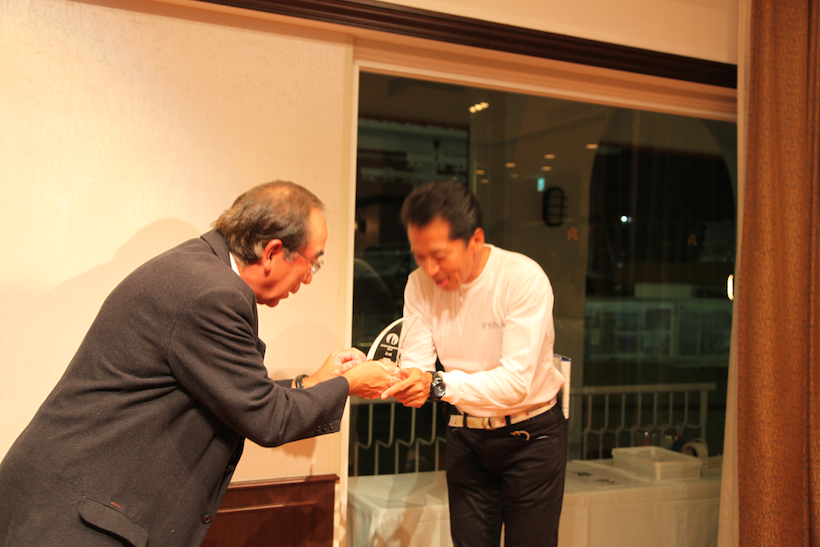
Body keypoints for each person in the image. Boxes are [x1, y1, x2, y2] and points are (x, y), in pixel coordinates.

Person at [0, 181, 396, 547]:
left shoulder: (199, 270)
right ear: (273, 252)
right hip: (76, 522)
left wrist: (314, 382)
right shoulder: (213, 294)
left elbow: (235, 391)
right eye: (313, 262)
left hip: (78, 504)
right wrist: (351, 384)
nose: (308, 278)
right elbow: (268, 418)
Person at [382, 181, 567, 547]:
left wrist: (437, 385)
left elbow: (515, 384)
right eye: (420, 257)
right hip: (465, 434)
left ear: (475, 240)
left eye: (439, 255)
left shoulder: (521, 279)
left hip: (531, 437)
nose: (430, 269)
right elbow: (418, 365)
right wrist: (402, 381)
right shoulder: (418, 284)